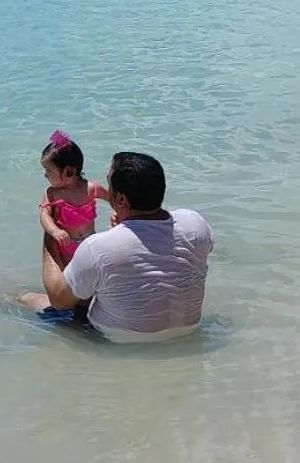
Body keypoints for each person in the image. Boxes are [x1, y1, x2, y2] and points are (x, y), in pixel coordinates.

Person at [22, 151, 214, 342]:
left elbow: (59, 300)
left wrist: (51, 235)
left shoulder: (97, 247)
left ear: (121, 199)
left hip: (114, 340)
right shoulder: (196, 224)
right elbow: (158, 249)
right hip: (189, 330)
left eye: (109, 182)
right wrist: (129, 222)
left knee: (29, 300)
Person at [37, 131, 110, 268]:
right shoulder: (52, 193)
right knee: (69, 276)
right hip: (66, 247)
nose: (45, 175)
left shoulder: (91, 188)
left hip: (90, 243)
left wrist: (119, 214)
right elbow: (44, 215)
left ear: (68, 172)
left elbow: (113, 199)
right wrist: (55, 231)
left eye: (48, 171)